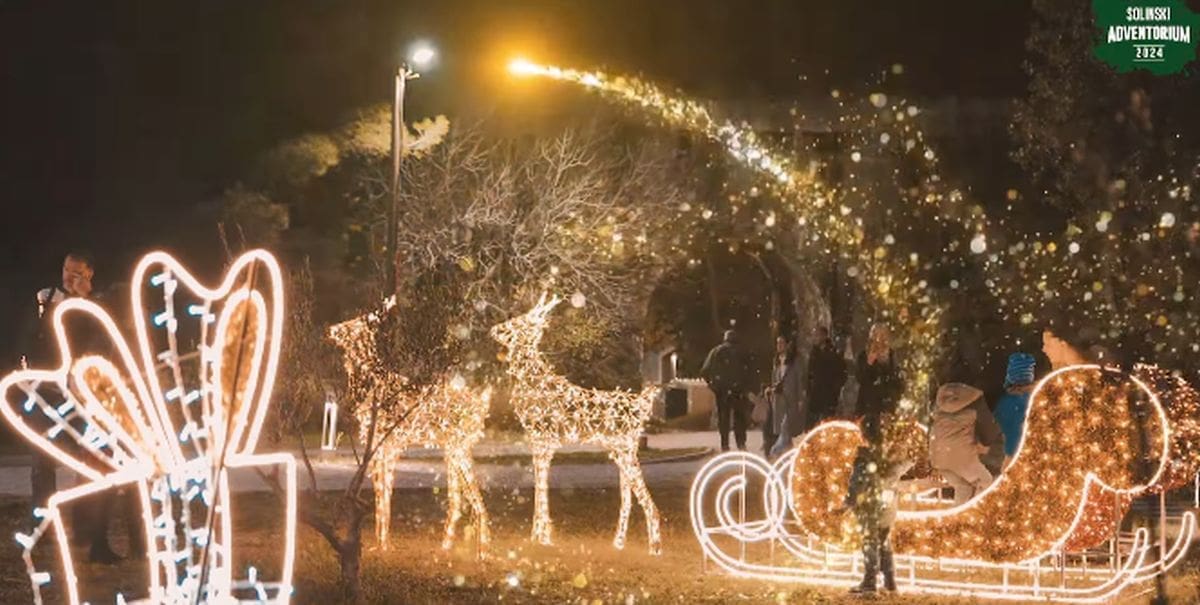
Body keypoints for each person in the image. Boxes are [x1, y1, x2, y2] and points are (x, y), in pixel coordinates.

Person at [18, 251, 124, 563]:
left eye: (78, 272)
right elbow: (28, 339)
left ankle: (89, 534)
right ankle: (41, 530)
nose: (70, 276)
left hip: (82, 393)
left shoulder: (96, 304)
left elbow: (106, 337)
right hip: (46, 391)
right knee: (42, 465)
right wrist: (26, 373)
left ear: (90, 274)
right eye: (67, 270)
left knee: (92, 463)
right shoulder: (45, 298)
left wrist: (85, 300)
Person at [841, 416, 914, 595]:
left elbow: (858, 483)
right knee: (884, 542)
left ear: (864, 435)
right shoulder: (892, 456)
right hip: (888, 505)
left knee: (869, 543)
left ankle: (869, 582)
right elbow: (902, 466)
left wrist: (848, 502)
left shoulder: (865, 458)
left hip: (869, 507)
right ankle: (890, 582)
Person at [930, 383, 1003, 505]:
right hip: (962, 457)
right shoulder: (974, 399)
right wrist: (985, 443)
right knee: (986, 481)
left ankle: (955, 517)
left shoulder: (940, 398)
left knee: (963, 487)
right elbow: (989, 428)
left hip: (939, 458)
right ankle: (976, 513)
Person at [701, 329, 752, 451]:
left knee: (724, 418)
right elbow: (750, 372)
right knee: (739, 418)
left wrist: (713, 386)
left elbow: (705, 371)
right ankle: (741, 444)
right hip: (738, 391)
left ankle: (725, 444)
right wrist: (747, 388)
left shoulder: (716, 352)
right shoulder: (742, 351)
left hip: (722, 391)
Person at [855, 324, 902, 444]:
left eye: (883, 335)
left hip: (886, 406)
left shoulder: (892, 356)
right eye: (877, 335)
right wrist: (869, 363)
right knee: (867, 442)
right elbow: (860, 378)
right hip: (868, 407)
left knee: (886, 442)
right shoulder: (864, 355)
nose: (880, 339)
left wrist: (892, 401)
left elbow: (898, 381)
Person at [993, 353, 1037, 470]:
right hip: (1032, 453)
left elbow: (997, 428)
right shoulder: (1036, 399)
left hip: (1009, 453)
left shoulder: (1005, 402)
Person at [763, 335, 801, 457]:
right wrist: (771, 389)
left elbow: (799, 380)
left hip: (790, 399)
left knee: (786, 426)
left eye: (782, 343)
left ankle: (775, 451)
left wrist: (800, 398)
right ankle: (788, 455)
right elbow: (774, 379)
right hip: (778, 399)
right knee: (783, 429)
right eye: (778, 343)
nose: (779, 346)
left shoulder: (794, 362)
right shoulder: (776, 361)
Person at [804, 325, 847, 430]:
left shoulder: (833, 352)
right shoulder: (814, 352)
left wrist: (835, 389)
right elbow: (810, 373)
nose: (815, 338)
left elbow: (841, 372)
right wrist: (808, 389)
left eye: (818, 335)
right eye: (815, 335)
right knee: (813, 425)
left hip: (829, 395)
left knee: (827, 424)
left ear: (824, 336)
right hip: (815, 395)